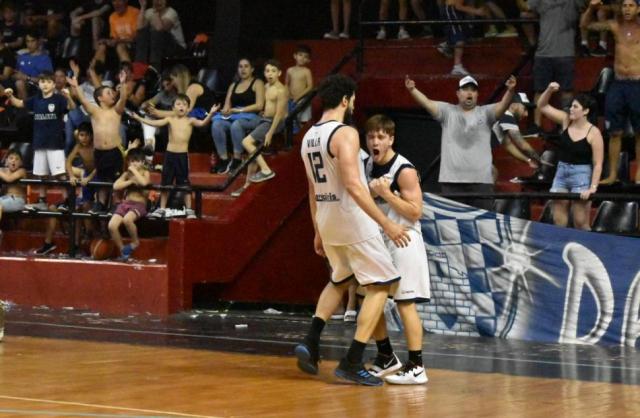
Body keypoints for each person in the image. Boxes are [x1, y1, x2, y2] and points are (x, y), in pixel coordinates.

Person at [295, 74, 410, 386]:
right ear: (345, 100)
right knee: (383, 283)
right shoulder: (345, 133)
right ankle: (353, 359)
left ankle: (311, 340)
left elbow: (311, 189)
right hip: (352, 219)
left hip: (327, 219)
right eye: (353, 99)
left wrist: (317, 230)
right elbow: (354, 186)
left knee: (340, 277)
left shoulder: (308, 137)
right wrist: (386, 222)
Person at [363, 114, 430, 385]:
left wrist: (388, 194)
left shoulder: (404, 170)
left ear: (391, 139)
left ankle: (417, 365)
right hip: (379, 239)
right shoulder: (366, 165)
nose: (375, 141)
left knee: (405, 303)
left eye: (380, 137)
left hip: (404, 238)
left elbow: (416, 212)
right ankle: (386, 356)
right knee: (370, 298)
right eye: (371, 137)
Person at [405, 73, 516, 210]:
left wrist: (510, 91)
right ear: (458, 93)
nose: (469, 93)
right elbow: (427, 103)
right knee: (454, 225)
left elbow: (503, 105)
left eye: (473, 90)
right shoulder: (447, 111)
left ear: (477, 94)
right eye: (465, 89)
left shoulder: (485, 112)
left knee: (484, 224)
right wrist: (412, 90)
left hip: (480, 181)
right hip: (452, 182)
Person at [132, 95, 219, 219]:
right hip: (169, 155)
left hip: (182, 156)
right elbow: (154, 122)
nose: (181, 106)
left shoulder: (191, 120)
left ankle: (189, 209)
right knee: (165, 183)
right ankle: (162, 208)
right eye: (178, 104)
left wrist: (210, 113)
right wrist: (139, 118)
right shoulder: (170, 119)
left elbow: (203, 123)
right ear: (173, 108)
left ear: (188, 108)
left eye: (184, 104)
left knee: (184, 183)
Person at [581, 0, 640, 184]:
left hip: (637, 83)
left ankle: (639, 173)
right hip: (618, 83)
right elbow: (585, 25)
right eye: (624, 6)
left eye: (631, 5)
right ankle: (613, 174)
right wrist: (591, 8)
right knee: (614, 132)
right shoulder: (615, 26)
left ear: (638, 8)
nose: (627, 9)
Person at [4, 73, 75, 212]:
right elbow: (19, 103)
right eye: (42, 81)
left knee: (59, 174)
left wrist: (69, 97)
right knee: (41, 174)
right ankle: (42, 201)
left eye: (48, 81)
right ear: (39, 84)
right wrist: (10, 96)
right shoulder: (35, 99)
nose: (45, 84)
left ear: (54, 84)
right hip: (39, 143)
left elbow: (71, 107)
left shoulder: (59, 98)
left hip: (55, 143)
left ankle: (66, 201)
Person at [538, 82, 604, 229]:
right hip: (561, 173)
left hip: (581, 175)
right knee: (559, 221)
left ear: (585, 111)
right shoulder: (566, 120)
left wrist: (593, 187)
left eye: (575, 107)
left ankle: (587, 249)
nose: (571, 109)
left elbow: (598, 163)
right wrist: (549, 90)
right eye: (571, 106)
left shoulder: (593, 132)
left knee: (581, 222)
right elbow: (542, 106)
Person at [67, 71, 129, 215]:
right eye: (108, 93)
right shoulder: (94, 111)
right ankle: (100, 203)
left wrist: (123, 84)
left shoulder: (116, 111)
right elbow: (83, 100)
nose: (112, 94)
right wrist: (76, 87)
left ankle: (115, 203)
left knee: (115, 178)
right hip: (100, 152)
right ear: (100, 98)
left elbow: (123, 99)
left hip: (114, 151)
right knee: (101, 177)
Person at [36, 123, 98, 255]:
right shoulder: (77, 148)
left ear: (91, 136)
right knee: (53, 208)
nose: (84, 138)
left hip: (94, 181)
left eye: (87, 135)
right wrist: (70, 175)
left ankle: (76, 245)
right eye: (81, 135)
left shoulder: (96, 147)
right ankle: (48, 243)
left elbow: (99, 166)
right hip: (77, 190)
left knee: (79, 209)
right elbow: (68, 162)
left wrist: (88, 177)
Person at [528, 0, 586, 136]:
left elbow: (585, 6)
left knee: (566, 90)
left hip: (565, 52)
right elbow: (526, 7)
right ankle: (537, 126)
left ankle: (566, 125)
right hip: (543, 53)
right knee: (539, 90)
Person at [231, 60, 287, 197]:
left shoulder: (281, 90)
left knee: (246, 142)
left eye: (273, 71)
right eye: (267, 71)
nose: (270, 74)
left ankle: (266, 170)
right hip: (264, 120)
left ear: (279, 73)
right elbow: (266, 105)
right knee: (253, 153)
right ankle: (247, 185)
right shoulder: (266, 87)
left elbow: (279, 114)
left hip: (274, 122)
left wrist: (270, 133)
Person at [210, 59, 265, 174]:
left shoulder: (257, 83)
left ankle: (237, 159)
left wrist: (240, 110)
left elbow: (259, 105)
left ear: (252, 69)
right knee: (217, 124)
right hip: (235, 115)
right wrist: (225, 111)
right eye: (240, 67)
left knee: (237, 124)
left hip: (253, 116)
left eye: (246, 66)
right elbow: (227, 107)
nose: (243, 69)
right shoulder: (233, 85)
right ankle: (224, 159)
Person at [108, 147, 149, 260]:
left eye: (137, 161)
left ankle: (135, 242)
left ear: (143, 162)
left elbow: (144, 183)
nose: (134, 163)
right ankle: (123, 251)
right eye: (132, 161)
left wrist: (135, 171)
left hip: (139, 205)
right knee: (112, 226)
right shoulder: (126, 174)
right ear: (128, 162)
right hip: (125, 204)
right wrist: (130, 181)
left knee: (127, 220)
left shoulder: (145, 172)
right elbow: (116, 186)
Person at [491, 92, 544, 169]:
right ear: (513, 105)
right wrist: (541, 160)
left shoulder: (501, 116)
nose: (526, 114)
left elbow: (508, 145)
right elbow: (522, 145)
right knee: (491, 173)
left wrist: (528, 160)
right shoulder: (507, 116)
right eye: (524, 109)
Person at [438, 0, 488, 76]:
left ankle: (447, 45)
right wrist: (476, 11)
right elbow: (458, 6)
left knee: (464, 32)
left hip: (452, 9)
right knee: (459, 37)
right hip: (452, 10)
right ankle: (457, 66)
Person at [135, 0, 186, 70]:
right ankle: (139, 67)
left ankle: (154, 69)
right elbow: (139, 28)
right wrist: (143, 7)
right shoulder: (149, 11)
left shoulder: (171, 12)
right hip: (158, 46)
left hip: (176, 47)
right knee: (142, 34)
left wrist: (156, 12)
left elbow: (160, 28)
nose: (158, 2)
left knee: (156, 33)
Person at [93, 0, 140, 66]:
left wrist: (117, 41)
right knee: (102, 46)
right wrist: (107, 41)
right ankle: (94, 71)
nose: (116, 4)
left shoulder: (135, 12)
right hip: (118, 44)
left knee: (120, 46)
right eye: (114, 1)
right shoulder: (112, 16)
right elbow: (114, 38)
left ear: (126, 1)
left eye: (119, 1)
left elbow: (135, 37)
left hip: (133, 45)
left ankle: (127, 72)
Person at [13, 31, 54, 99]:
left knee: (19, 83)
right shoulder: (22, 56)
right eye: (28, 41)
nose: (30, 44)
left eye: (32, 41)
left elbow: (48, 80)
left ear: (38, 42)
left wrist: (27, 78)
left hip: (35, 87)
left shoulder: (45, 59)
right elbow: (15, 73)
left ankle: (25, 108)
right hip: (17, 84)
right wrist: (15, 76)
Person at [285, 45, 313, 132]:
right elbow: (286, 84)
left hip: (302, 100)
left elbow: (310, 86)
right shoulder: (289, 70)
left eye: (305, 57)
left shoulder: (306, 71)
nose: (302, 58)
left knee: (301, 121)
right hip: (291, 100)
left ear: (308, 60)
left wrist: (298, 97)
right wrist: (287, 95)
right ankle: (291, 139)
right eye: (300, 55)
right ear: (295, 56)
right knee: (290, 120)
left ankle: (302, 138)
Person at [0, 150, 27, 239]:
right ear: (6, 161)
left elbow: (9, 179)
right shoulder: (3, 170)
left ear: (21, 163)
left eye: (16, 159)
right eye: (11, 158)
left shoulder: (22, 171)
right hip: (4, 198)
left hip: (17, 200)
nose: (13, 161)